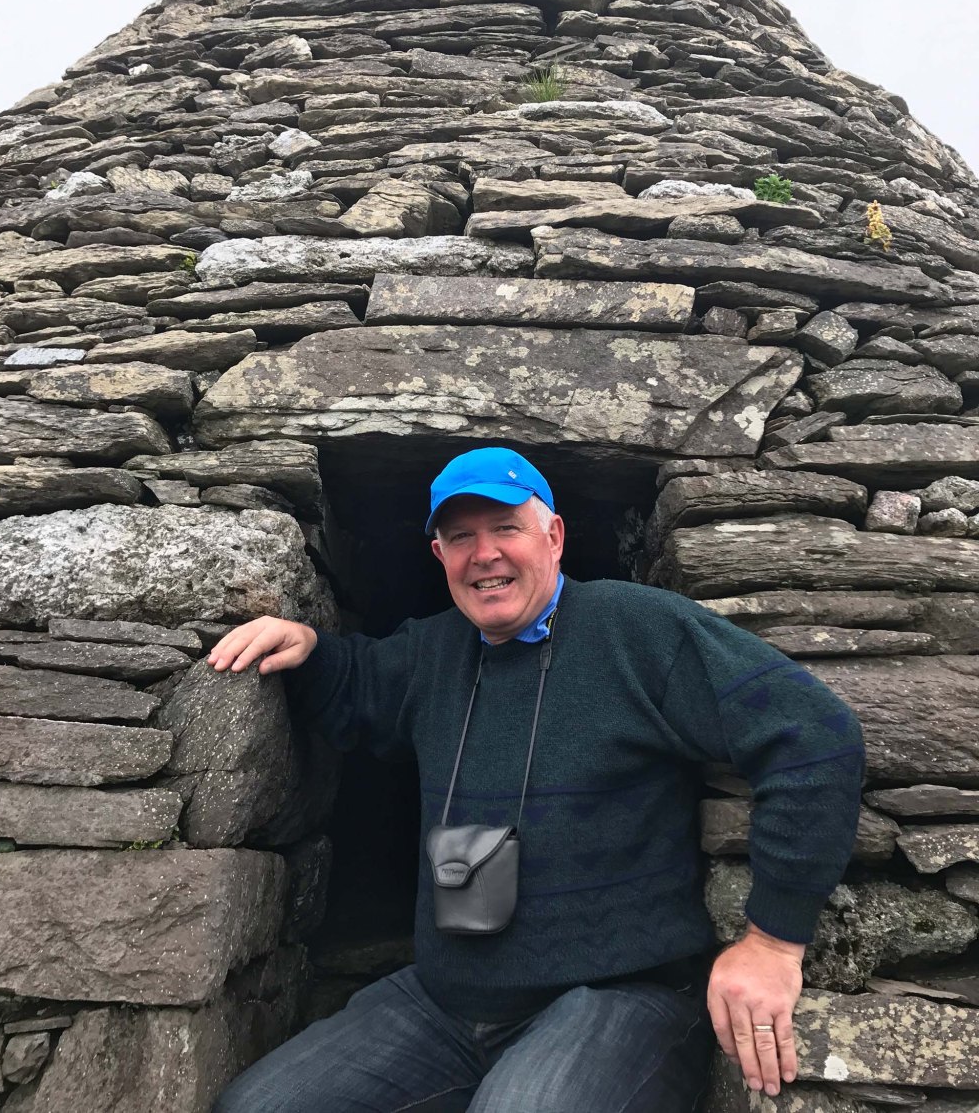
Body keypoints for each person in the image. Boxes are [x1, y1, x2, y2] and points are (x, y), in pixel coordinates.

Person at [208, 446, 865, 1113]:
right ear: (439, 555)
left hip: (621, 999)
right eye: (461, 536)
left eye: (506, 528)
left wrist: (774, 939)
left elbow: (813, 734)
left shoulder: (639, 629)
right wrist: (307, 646)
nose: (484, 553)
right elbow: (359, 684)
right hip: (444, 1001)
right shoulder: (432, 651)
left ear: (553, 535)